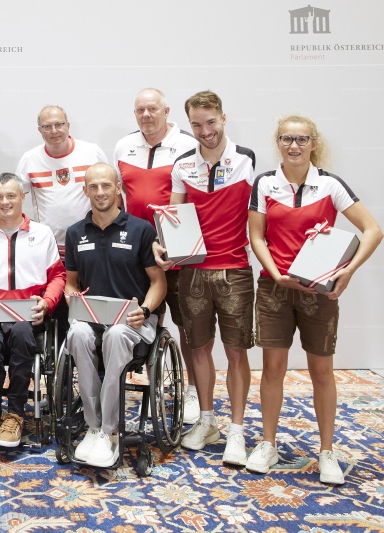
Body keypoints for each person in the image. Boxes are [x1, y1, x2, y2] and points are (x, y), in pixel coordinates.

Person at [245, 115, 383, 484]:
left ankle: (326, 452)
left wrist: (347, 271)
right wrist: (274, 273)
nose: (294, 145)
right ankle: (267, 443)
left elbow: (373, 230)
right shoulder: (265, 183)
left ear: (313, 143)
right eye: (287, 138)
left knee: (322, 371)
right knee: (272, 369)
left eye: (302, 139)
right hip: (274, 289)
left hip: (319, 293)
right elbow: (256, 236)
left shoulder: (330, 184)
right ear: (278, 142)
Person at [164, 91, 255, 466]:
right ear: (189, 125)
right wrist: (163, 244)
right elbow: (174, 216)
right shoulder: (182, 165)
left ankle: (236, 430)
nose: (206, 131)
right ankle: (206, 420)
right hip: (193, 271)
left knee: (236, 352)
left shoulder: (247, 159)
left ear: (223, 118)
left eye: (211, 122)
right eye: (197, 125)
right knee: (197, 347)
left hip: (235, 269)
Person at [64, 163, 166, 467]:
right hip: (93, 320)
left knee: (116, 335)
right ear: (85, 191)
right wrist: (73, 298)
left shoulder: (140, 229)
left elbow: (159, 283)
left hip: (133, 323)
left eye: (106, 185)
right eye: (93, 187)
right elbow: (71, 282)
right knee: (77, 333)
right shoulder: (75, 233)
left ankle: (110, 431)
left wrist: (144, 310)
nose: (100, 192)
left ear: (117, 188)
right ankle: (93, 427)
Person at [0, 173, 66, 447]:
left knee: (21, 335)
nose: (5, 202)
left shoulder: (42, 234)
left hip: (28, 316)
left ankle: (16, 413)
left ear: (23, 198)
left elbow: (58, 276)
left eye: (11, 196)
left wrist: (48, 302)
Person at [112, 88, 201, 425]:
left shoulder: (189, 144)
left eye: (152, 109)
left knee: (188, 325)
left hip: (176, 252)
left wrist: (175, 245)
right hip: (134, 251)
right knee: (140, 320)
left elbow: (196, 199)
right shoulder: (123, 146)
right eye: (140, 110)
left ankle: (191, 391)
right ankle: (136, 383)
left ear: (166, 111)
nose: (146, 115)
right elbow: (119, 198)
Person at [15, 106, 107, 338]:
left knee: (93, 304)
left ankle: (96, 364)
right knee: (58, 310)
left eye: (59, 124)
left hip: (91, 246)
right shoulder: (30, 159)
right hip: (51, 249)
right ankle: (61, 369)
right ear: (40, 130)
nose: (54, 130)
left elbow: (112, 191)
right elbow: (15, 198)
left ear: (68, 125)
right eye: (47, 126)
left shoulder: (91, 152)